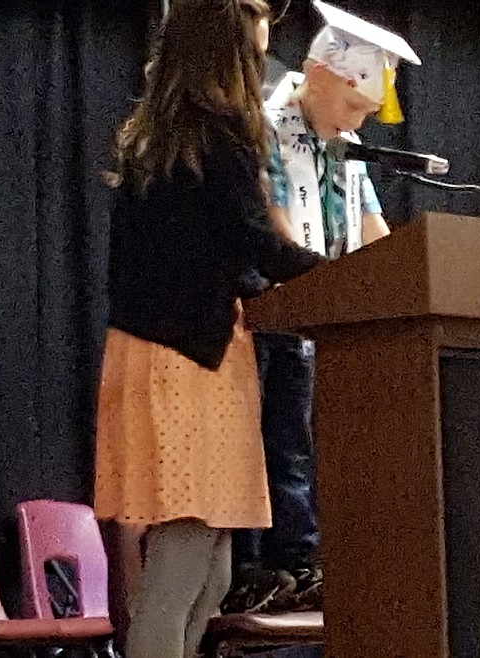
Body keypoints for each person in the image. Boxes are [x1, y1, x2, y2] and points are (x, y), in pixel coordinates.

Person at [93, 0, 322, 655]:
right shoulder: (213, 132)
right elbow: (255, 241)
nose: (264, 33)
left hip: (171, 356)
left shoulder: (162, 134)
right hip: (185, 363)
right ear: (224, 39)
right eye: (253, 17)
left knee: (210, 571)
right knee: (180, 570)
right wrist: (339, 275)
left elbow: (205, 252)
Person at [224, 0, 421, 614]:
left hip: (327, 329)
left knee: (311, 448)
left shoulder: (348, 146)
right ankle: (278, 561)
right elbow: (274, 228)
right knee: (280, 447)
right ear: (320, 75)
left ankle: (311, 556)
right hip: (274, 318)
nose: (356, 120)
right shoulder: (264, 127)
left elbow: (372, 233)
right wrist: (324, 291)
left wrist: (410, 288)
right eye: (354, 105)